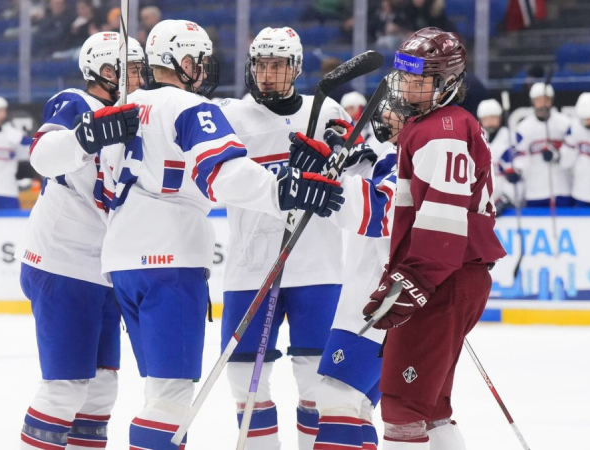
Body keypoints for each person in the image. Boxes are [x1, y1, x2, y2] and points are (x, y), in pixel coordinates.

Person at [97, 20, 345, 450]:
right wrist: (282, 188)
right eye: (202, 61)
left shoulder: (121, 107)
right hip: (171, 263)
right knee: (173, 398)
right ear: (185, 61)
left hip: (121, 262)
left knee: (158, 391)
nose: (207, 70)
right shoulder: (197, 109)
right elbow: (224, 175)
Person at [360, 27, 506, 448]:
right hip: (456, 276)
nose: (407, 88)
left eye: (420, 81)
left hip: (443, 276)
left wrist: (414, 282)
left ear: (449, 84)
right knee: (432, 408)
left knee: (404, 408)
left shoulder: (439, 132)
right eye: (404, 78)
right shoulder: (444, 123)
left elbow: (442, 220)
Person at [215, 26, 352, 450]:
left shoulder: (327, 111)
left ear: (295, 67)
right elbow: (216, 180)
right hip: (251, 267)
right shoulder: (230, 116)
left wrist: (337, 153)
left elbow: (354, 179)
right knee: (242, 377)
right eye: (261, 66)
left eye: (277, 65)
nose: (268, 75)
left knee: (315, 378)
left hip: (317, 264)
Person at [16, 32, 145, 450]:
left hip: (104, 268)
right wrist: (86, 136)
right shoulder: (76, 102)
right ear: (102, 71)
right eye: (128, 70)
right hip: (62, 261)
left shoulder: (139, 115)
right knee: (65, 387)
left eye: (141, 70)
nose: (138, 78)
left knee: (102, 388)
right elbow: (42, 155)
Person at [288, 103, 402, 450]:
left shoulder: (408, 159)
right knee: (358, 406)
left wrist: (325, 178)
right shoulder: (393, 154)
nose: (386, 117)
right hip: (375, 298)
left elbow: (377, 213)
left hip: (379, 301)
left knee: (334, 395)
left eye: (397, 111)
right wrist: (341, 161)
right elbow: (370, 171)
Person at [510, 82, 573, 207]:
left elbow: (572, 152)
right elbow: (520, 157)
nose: (542, 104)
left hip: (561, 189)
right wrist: (517, 171)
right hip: (535, 191)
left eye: (546, 100)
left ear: (551, 101)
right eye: (538, 100)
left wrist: (558, 156)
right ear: (533, 102)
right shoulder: (524, 127)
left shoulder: (565, 123)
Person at [476, 98, 519, 213]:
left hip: (506, 202)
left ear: (499, 118)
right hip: (483, 203)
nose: (490, 122)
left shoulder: (511, 138)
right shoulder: (476, 140)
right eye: (486, 119)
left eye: (493, 118)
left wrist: (506, 199)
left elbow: (516, 175)